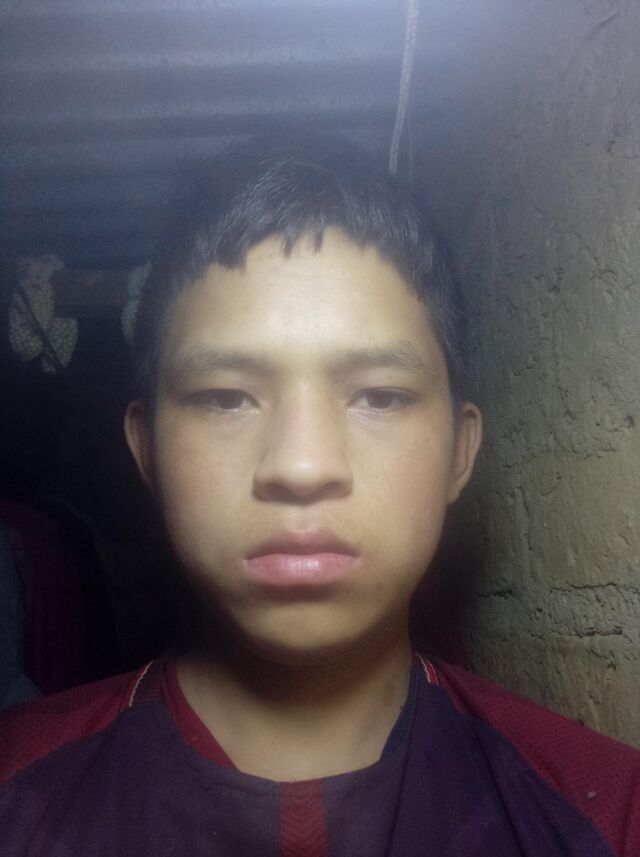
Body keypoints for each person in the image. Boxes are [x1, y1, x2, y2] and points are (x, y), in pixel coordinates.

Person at [0, 137, 638, 856]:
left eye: (380, 395)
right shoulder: (17, 789)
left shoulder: (610, 815)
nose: (301, 467)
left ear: (461, 453)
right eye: (225, 397)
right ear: (146, 450)